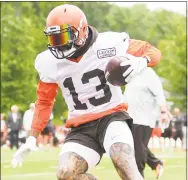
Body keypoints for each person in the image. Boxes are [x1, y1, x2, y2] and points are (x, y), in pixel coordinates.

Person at [12, 4, 162, 180]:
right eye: (54, 38)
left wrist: (143, 61)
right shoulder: (48, 62)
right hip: (81, 127)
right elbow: (44, 101)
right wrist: (32, 137)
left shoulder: (108, 44)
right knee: (65, 174)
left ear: (82, 30)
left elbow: (153, 51)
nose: (59, 44)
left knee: (125, 164)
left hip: (111, 117)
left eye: (64, 36)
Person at [123, 67, 168, 179]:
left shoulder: (148, 73)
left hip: (143, 119)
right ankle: (156, 163)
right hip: (129, 117)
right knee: (133, 146)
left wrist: (163, 111)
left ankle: (140, 175)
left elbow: (159, 93)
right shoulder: (130, 72)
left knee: (138, 152)